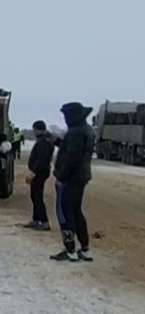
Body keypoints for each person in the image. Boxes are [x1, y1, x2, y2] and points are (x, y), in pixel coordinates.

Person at [51, 102, 94, 262]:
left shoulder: (75, 132)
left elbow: (73, 157)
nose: (65, 119)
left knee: (64, 212)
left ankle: (70, 250)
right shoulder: (86, 130)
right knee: (76, 211)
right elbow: (74, 150)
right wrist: (58, 142)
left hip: (70, 178)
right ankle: (85, 248)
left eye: (65, 116)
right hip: (81, 177)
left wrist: (61, 176)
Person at [22, 120, 54, 229]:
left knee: (37, 196)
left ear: (38, 129)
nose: (33, 131)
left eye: (34, 129)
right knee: (34, 196)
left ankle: (44, 221)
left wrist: (33, 172)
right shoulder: (44, 140)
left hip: (40, 172)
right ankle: (36, 219)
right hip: (40, 171)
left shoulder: (43, 142)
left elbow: (42, 159)